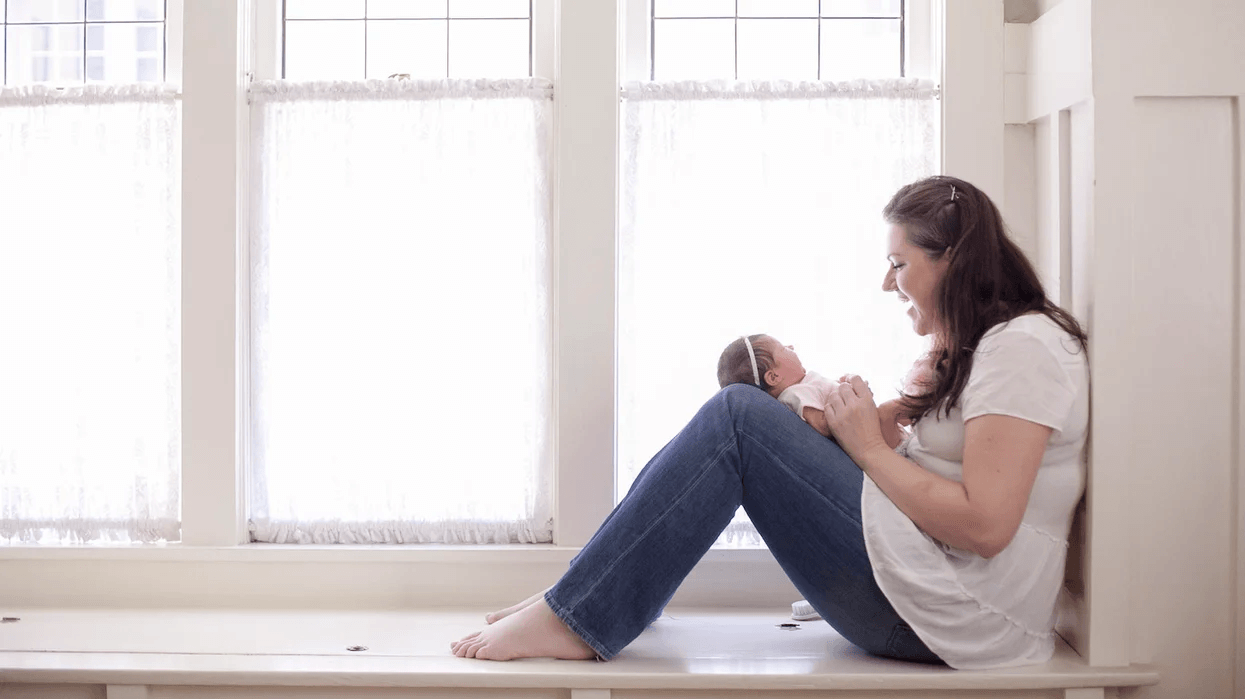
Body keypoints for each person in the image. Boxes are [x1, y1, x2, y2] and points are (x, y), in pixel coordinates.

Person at [450, 175, 1089, 670]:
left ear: (950, 261)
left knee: (737, 417)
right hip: (926, 587)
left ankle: (578, 616)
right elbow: (919, 441)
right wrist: (848, 424)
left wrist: (867, 447)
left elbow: (985, 525)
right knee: (737, 420)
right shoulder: (986, 345)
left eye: (900, 264)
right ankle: (580, 596)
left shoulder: (1023, 348)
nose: (887, 283)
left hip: (956, 620)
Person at [716, 334, 913, 450]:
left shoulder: (805, 387)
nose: (791, 346)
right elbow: (823, 426)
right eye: (783, 349)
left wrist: (845, 389)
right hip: (876, 441)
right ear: (774, 377)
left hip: (875, 433)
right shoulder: (794, 395)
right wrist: (855, 398)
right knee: (901, 410)